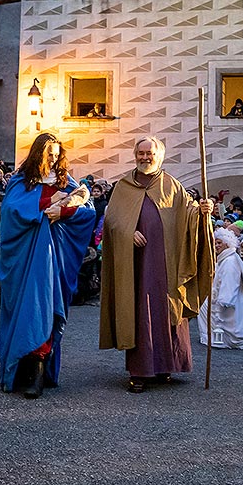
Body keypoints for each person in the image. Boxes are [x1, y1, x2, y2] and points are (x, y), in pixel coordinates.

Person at [100, 136, 214, 393]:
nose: (144, 157)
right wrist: (128, 231)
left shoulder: (172, 185)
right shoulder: (123, 186)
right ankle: (140, 372)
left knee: (167, 311)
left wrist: (203, 211)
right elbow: (112, 220)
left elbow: (189, 215)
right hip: (136, 265)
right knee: (139, 311)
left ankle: (165, 366)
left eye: (149, 153)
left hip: (166, 263)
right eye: (140, 153)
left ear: (159, 156)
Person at [0, 133, 95, 398]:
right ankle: (24, 370)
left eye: (56, 154)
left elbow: (89, 211)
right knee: (29, 308)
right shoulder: (21, 182)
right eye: (47, 154)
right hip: (27, 258)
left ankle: (39, 372)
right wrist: (47, 203)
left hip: (56, 257)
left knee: (46, 308)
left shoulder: (67, 182)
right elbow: (10, 212)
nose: (52, 160)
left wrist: (64, 210)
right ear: (37, 154)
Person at [197, 228, 243, 349]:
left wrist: (219, 301)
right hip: (228, 301)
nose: (216, 245)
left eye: (219, 243)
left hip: (230, 306)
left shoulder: (229, 261)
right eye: (215, 242)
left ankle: (215, 335)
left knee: (203, 304)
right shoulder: (226, 259)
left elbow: (228, 288)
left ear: (227, 243)